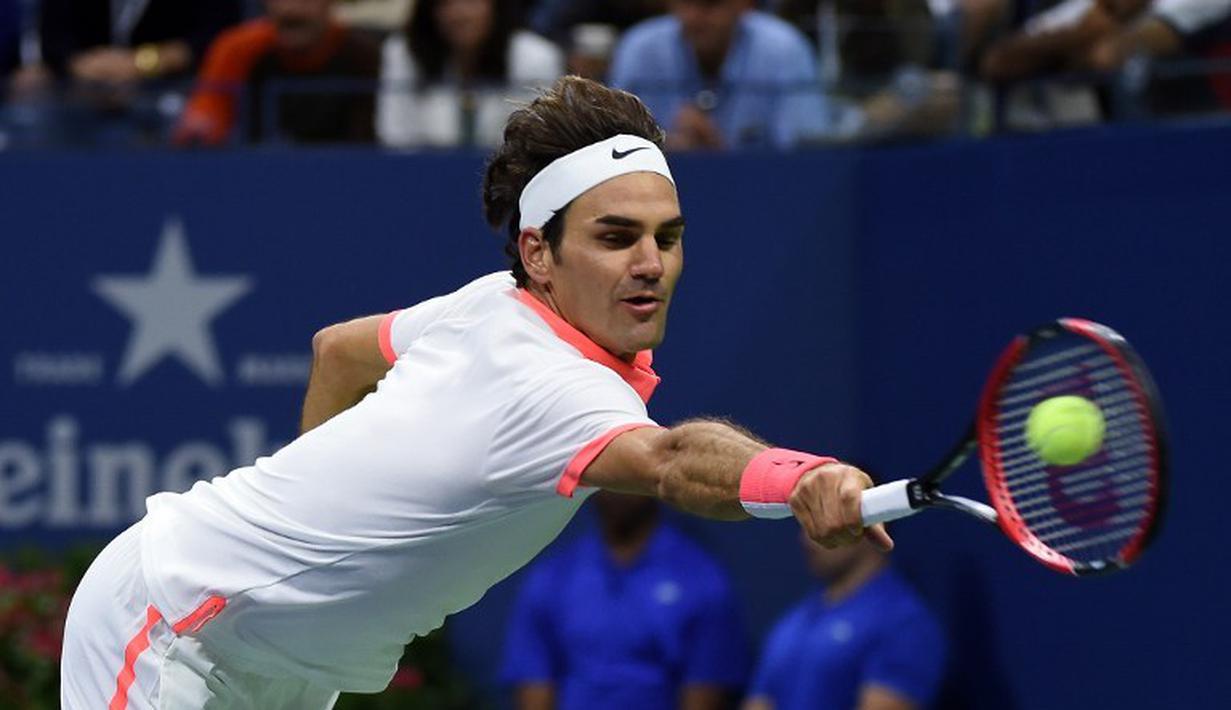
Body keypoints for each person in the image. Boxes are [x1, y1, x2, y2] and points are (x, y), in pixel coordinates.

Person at [60, 75, 890, 709]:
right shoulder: (550, 388)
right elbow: (672, 462)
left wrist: (308, 507)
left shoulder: (487, 304)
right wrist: (800, 477)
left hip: (285, 666)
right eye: (615, 237)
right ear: (537, 251)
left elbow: (338, 352)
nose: (649, 264)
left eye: (666, 239)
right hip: (177, 618)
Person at [501, 492, 749, 710]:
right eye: (608, 480)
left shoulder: (701, 577)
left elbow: (706, 687)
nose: (616, 490)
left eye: (626, 480)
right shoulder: (553, 576)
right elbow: (533, 680)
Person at [743, 532, 946, 710]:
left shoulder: (906, 623)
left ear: (871, 525)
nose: (806, 539)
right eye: (805, 524)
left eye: (824, 521)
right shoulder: (791, 622)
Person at [608, 0, 839, 149]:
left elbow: (807, 151)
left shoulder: (784, 48)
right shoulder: (639, 47)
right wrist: (664, 152)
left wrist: (721, 150)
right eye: (685, 4)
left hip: (763, 193)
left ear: (744, 5)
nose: (694, 17)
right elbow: (612, 150)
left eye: (710, 4)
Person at [174, 0, 380, 146]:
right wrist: (200, 131)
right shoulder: (237, 49)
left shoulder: (363, 54)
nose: (289, 8)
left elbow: (378, 140)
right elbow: (206, 116)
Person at [377, 0, 563, 148]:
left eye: (471, 2)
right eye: (445, 3)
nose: (459, 14)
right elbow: (395, 137)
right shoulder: (403, 52)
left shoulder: (537, 56)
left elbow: (536, 142)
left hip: (509, 183)